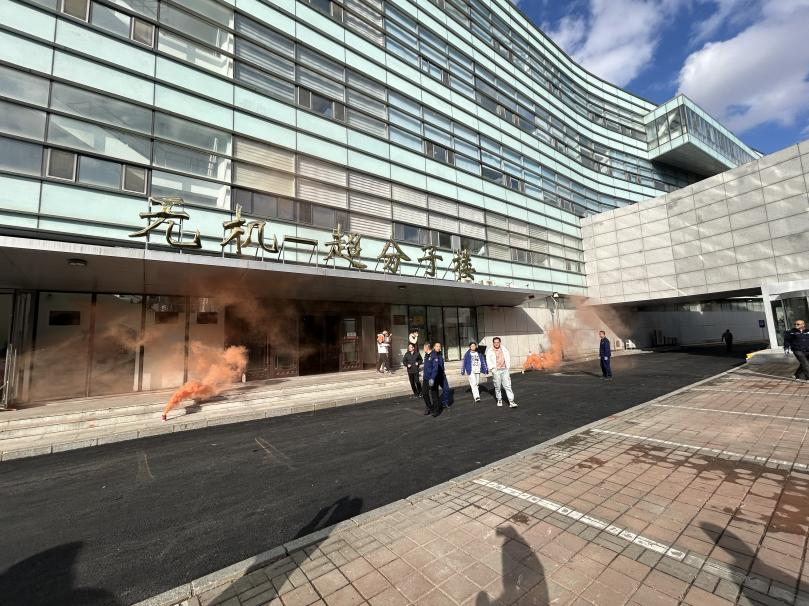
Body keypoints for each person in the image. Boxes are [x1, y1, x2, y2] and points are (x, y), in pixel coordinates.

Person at [485, 337, 517, 408]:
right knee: (498, 386)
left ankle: (511, 401)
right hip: (496, 370)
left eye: (498, 342)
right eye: (495, 342)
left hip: (504, 369)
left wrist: (508, 367)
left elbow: (508, 358)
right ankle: (499, 399)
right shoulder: (490, 351)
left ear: (500, 342)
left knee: (508, 386)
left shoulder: (504, 349)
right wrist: (492, 369)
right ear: (493, 343)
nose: (496, 343)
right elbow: (488, 361)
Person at [425, 342, 450, 414]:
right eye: (437, 346)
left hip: (442, 376)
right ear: (434, 347)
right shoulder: (432, 355)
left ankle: (444, 402)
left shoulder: (440, 355)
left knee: (446, 389)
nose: (438, 347)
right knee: (435, 393)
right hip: (435, 376)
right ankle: (435, 406)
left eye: (439, 346)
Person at [421, 342, 434, 415]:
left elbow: (434, 368)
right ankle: (429, 407)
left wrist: (432, 377)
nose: (423, 349)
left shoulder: (433, 355)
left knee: (433, 394)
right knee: (424, 393)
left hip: (431, 378)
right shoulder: (426, 355)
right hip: (425, 377)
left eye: (424, 347)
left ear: (427, 347)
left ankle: (436, 407)